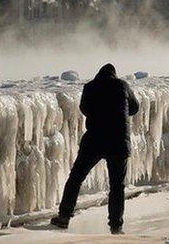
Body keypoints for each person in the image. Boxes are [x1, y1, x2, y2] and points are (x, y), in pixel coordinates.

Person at [51, 63, 139, 234]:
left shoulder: (90, 87)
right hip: (119, 141)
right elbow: (135, 108)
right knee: (117, 186)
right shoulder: (123, 85)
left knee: (76, 177)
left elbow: (84, 108)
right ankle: (116, 226)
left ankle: (64, 217)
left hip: (95, 139)